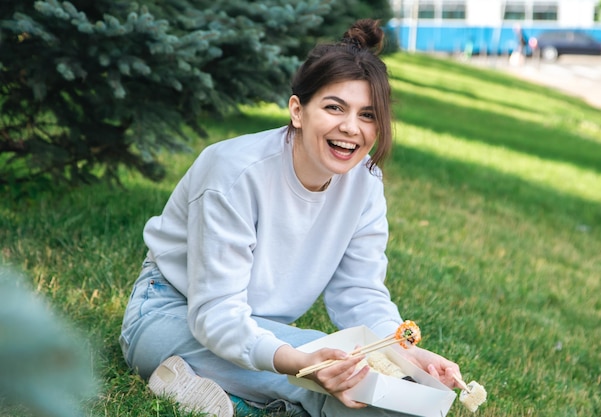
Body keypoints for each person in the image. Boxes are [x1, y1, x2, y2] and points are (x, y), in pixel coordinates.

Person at [119, 18, 463, 417]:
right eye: (335, 107)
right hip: (174, 317)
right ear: (298, 111)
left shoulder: (365, 184)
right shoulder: (233, 172)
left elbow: (359, 292)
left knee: (382, 387)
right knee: (340, 384)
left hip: (260, 329)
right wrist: (303, 365)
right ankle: (233, 395)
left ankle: (224, 398)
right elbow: (215, 314)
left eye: (368, 115)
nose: (351, 128)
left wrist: (407, 356)